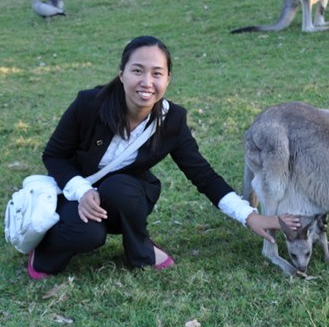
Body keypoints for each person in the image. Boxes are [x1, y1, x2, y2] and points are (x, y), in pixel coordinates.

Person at [28, 35, 300, 280]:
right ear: (122, 74)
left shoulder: (172, 121)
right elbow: (54, 155)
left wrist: (249, 216)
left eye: (157, 73)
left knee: (121, 187)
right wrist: (82, 191)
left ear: (168, 79)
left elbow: (202, 175)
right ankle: (45, 253)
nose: (146, 82)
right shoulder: (89, 104)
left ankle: (140, 249)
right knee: (88, 235)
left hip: (125, 198)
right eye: (137, 71)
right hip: (77, 193)